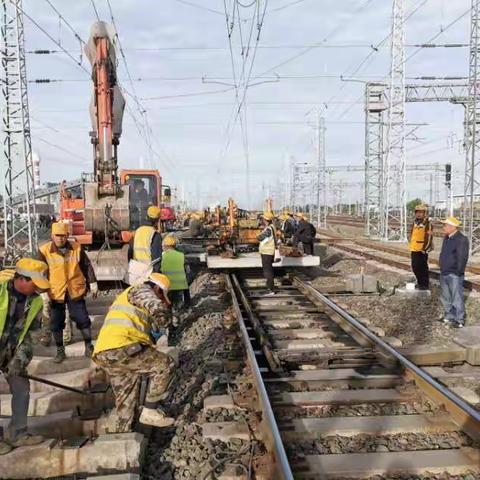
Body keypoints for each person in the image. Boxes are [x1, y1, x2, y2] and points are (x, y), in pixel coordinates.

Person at [93, 273, 175, 431]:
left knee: (126, 397)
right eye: (161, 294)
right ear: (157, 288)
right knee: (165, 365)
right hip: (123, 346)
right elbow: (157, 308)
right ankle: (150, 410)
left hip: (105, 353)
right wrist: (166, 318)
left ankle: (123, 432)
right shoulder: (141, 289)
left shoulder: (126, 297)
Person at [0, 259, 50, 455]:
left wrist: (18, 361)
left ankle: (17, 433)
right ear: (22, 279)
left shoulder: (35, 302)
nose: (39, 289)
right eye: (35, 284)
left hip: (10, 351)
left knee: (21, 387)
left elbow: (32, 335)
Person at [38, 222, 98, 363]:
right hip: (55, 291)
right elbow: (38, 273)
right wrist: (42, 291)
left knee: (82, 319)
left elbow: (86, 266)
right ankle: (60, 350)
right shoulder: (44, 251)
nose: (61, 239)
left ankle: (88, 346)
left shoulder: (77, 248)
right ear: (52, 236)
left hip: (74, 289)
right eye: (58, 236)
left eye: (64, 236)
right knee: (56, 323)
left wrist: (93, 282)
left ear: (68, 235)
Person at [439, 216, 469, 328]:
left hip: (454, 273)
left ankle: (459, 319)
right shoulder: (446, 238)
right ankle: (448, 316)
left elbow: (462, 257)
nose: (444, 227)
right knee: (446, 296)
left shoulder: (461, 239)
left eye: (446, 225)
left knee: (456, 297)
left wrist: (458, 272)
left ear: (453, 227)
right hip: (444, 271)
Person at [128, 206, 162, 273]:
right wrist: (155, 274)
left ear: (147, 217)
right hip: (148, 273)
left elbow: (130, 251)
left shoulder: (137, 231)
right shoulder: (155, 234)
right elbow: (157, 259)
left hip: (136, 271)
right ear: (157, 220)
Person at [161, 235, 190, 311]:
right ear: (174, 245)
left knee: (169, 305)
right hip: (180, 286)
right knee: (178, 305)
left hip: (167, 285)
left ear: (165, 246)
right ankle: (179, 314)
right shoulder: (181, 255)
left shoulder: (162, 256)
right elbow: (187, 270)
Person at [409, 204, 433, 290]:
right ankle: (420, 283)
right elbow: (411, 233)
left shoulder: (427, 224)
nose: (418, 214)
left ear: (425, 213)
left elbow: (429, 237)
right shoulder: (415, 222)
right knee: (415, 267)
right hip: (414, 248)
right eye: (417, 212)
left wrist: (425, 248)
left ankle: (424, 285)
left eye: (421, 212)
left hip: (422, 250)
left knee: (422, 268)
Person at [257, 212, 277, 296]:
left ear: (266, 220)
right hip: (268, 251)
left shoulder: (269, 229)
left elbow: (260, 238)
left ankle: (270, 290)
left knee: (267, 271)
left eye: (263, 219)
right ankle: (269, 288)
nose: (262, 220)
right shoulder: (271, 227)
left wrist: (258, 234)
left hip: (267, 252)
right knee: (268, 270)